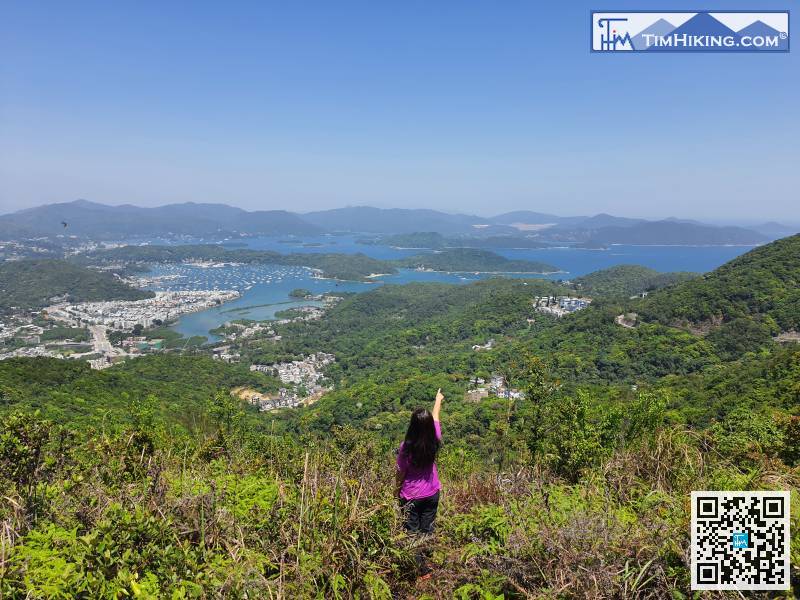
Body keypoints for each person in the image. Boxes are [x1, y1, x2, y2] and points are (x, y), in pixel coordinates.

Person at [396, 388, 443, 534]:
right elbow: (435, 417)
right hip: (432, 493)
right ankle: (427, 554)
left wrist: (396, 491)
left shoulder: (406, 447)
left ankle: (415, 556)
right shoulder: (435, 439)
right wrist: (438, 400)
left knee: (412, 533)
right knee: (427, 530)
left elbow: (401, 473)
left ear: (412, 427)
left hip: (411, 496)